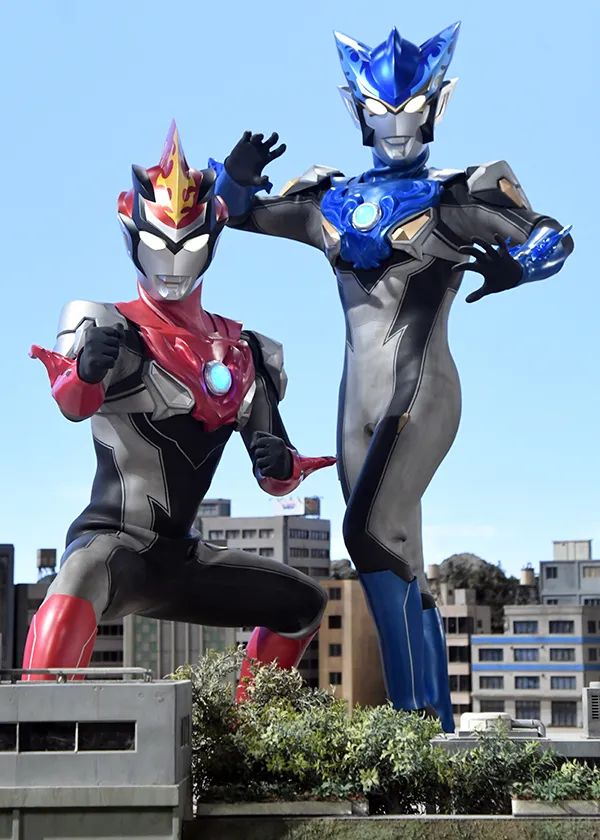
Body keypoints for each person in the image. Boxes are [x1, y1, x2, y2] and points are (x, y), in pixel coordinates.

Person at [211, 22, 573, 730]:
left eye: (411, 109)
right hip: (357, 400)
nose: (397, 124)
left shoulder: (457, 192)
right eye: (382, 110)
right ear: (359, 112)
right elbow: (236, 214)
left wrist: (520, 264)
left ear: (436, 105)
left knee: (368, 534)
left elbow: (548, 235)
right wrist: (235, 173)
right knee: (398, 550)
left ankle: (410, 724)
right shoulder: (328, 199)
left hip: (422, 384)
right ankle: (434, 726)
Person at [24, 121, 335, 682]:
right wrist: (86, 371)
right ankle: (32, 727)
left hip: (184, 558)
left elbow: (276, 474)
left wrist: (282, 464)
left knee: (302, 605)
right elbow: (73, 403)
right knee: (75, 584)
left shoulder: (244, 351)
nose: (172, 259)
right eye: (158, 243)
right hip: (115, 545)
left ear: (212, 238)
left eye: (188, 244)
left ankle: (247, 729)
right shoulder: (106, 326)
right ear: (133, 234)